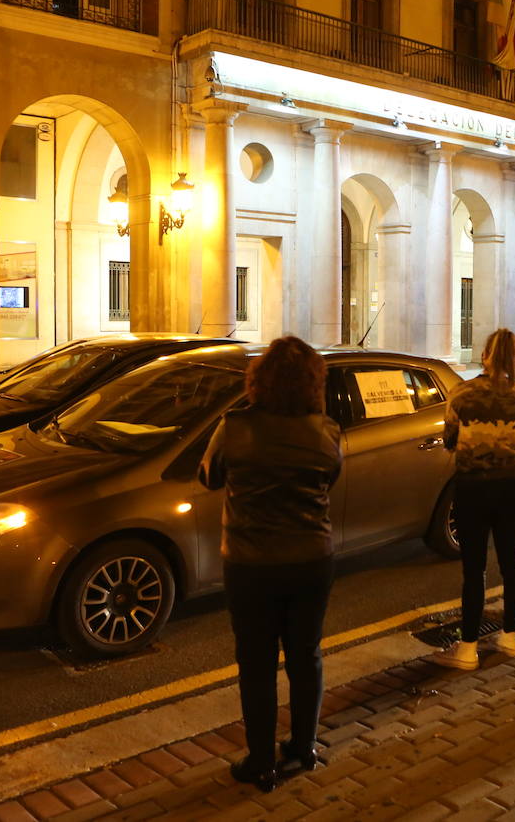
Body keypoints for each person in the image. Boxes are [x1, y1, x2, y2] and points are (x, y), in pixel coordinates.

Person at [198, 336, 344, 792]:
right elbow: (331, 476)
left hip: (249, 563)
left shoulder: (235, 427)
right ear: (312, 383)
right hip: (310, 560)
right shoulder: (325, 430)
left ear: (259, 380)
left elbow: (209, 475)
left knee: (257, 664)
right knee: (306, 656)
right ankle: (304, 747)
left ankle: (261, 762)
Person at [434, 329, 515, 670]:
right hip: (512, 486)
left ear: (486, 354)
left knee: (473, 568)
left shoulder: (463, 393)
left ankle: (467, 648)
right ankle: (509, 638)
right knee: (511, 561)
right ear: (514, 357)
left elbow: (450, 438)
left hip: (473, 487)